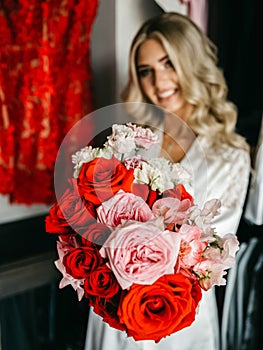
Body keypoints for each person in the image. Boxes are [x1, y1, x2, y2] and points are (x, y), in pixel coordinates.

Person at [84, 12, 250, 350]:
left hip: (178, 314)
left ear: (191, 64)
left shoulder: (229, 155)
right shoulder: (129, 144)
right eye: (147, 71)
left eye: (169, 64)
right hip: (116, 311)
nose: (159, 82)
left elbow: (211, 252)